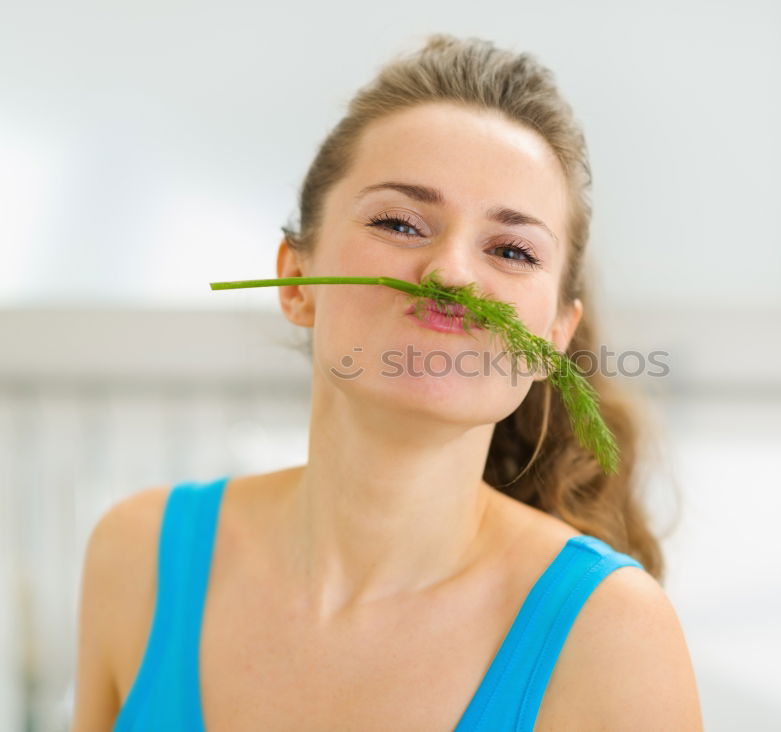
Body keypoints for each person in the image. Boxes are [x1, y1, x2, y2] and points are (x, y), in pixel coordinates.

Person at [72, 33, 703, 731]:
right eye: (400, 223)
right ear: (296, 280)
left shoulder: (612, 636)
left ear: (554, 338)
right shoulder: (139, 557)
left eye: (512, 249)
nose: (453, 275)